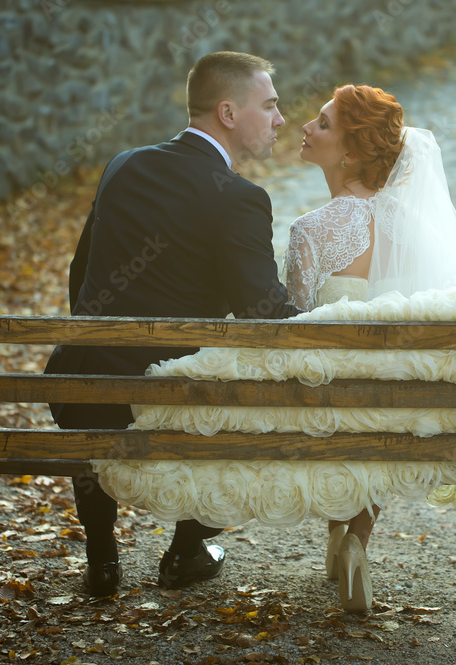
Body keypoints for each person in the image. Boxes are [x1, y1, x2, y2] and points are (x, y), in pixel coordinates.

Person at [92, 85, 456, 611]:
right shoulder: (412, 225)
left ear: (349, 152)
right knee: (380, 393)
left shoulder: (312, 230)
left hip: (330, 398)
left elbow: (290, 331)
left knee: (337, 384)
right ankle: (353, 542)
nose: (304, 125)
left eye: (322, 123)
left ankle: (327, 536)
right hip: (398, 403)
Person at [44, 51, 302, 598]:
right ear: (228, 113)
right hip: (171, 396)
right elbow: (265, 314)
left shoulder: (124, 164)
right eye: (271, 105)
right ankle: (186, 551)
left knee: (105, 388)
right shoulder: (239, 198)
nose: (281, 119)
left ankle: (103, 562)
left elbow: (79, 269)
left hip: (86, 386)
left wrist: (100, 337)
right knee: (263, 405)